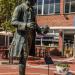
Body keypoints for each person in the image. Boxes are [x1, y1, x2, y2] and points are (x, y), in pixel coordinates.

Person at [10, 0, 49, 75]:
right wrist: (26, 25)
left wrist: (42, 31)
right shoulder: (19, 8)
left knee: (24, 58)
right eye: (34, 0)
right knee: (22, 59)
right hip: (22, 38)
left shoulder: (33, 10)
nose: (36, 2)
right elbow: (13, 22)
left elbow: (35, 24)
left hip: (30, 38)